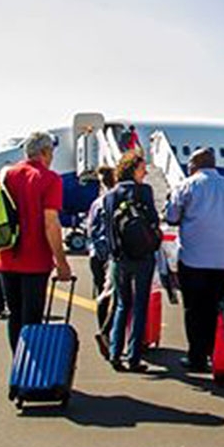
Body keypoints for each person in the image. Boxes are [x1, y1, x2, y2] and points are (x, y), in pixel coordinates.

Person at [165, 148, 224, 372]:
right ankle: (216, 353)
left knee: (194, 310)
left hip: (194, 260)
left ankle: (197, 358)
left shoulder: (187, 185)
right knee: (216, 308)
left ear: (194, 164)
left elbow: (171, 218)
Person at [0, 132, 72, 353]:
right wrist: (61, 261)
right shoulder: (49, 179)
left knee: (15, 316)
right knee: (32, 318)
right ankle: (32, 373)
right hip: (35, 261)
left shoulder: (6, 176)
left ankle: (18, 367)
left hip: (6, 257)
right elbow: (51, 223)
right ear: (46, 152)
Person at [102, 152, 160, 373]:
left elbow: (108, 228)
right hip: (143, 257)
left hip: (120, 258)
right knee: (140, 306)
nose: (145, 172)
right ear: (133, 169)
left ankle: (115, 353)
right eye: (142, 168)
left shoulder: (111, 195)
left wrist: (114, 254)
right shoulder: (144, 191)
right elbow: (154, 220)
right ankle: (134, 356)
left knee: (121, 304)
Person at [87, 166, 117, 298]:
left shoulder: (97, 203)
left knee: (102, 294)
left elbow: (90, 229)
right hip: (114, 254)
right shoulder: (118, 200)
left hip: (97, 254)